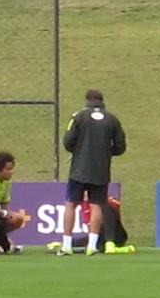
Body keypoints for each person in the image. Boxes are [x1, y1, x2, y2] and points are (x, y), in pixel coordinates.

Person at [58, 89, 127, 256]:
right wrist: (106, 152)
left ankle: (66, 245)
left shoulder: (79, 116)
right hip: (101, 170)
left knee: (71, 204)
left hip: (79, 169)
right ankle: (92, 245)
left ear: (87, 100)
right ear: (102, 101)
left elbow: (67, 142)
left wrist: (79, 150)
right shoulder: (112, 119)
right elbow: (120, 146)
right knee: (96, 205)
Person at [48, 194, 135, 254]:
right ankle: (65, 244)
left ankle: (110, 243)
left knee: (105, 206)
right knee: (87, 240)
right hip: (100, 236)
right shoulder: (84, 207)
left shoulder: (106, 201)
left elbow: (114, 208)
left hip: (117, 235)